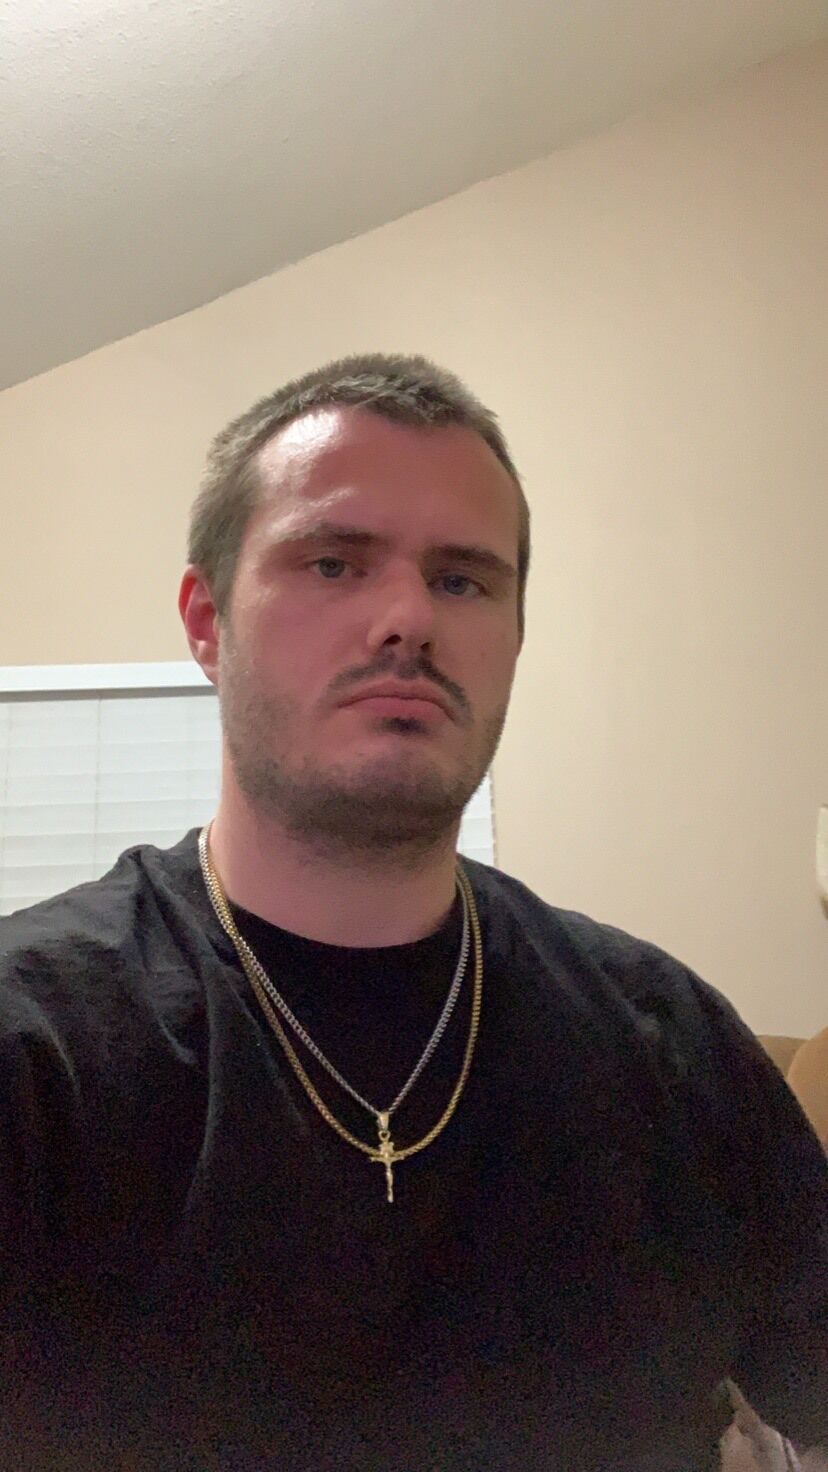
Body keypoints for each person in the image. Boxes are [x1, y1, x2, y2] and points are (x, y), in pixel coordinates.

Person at [0, 353, 826, 1472]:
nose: (407, 619)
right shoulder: (36, 1053)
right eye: (333, 562)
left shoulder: (672, 1044)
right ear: (205, 619)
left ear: (515, 637)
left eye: (464, 581)